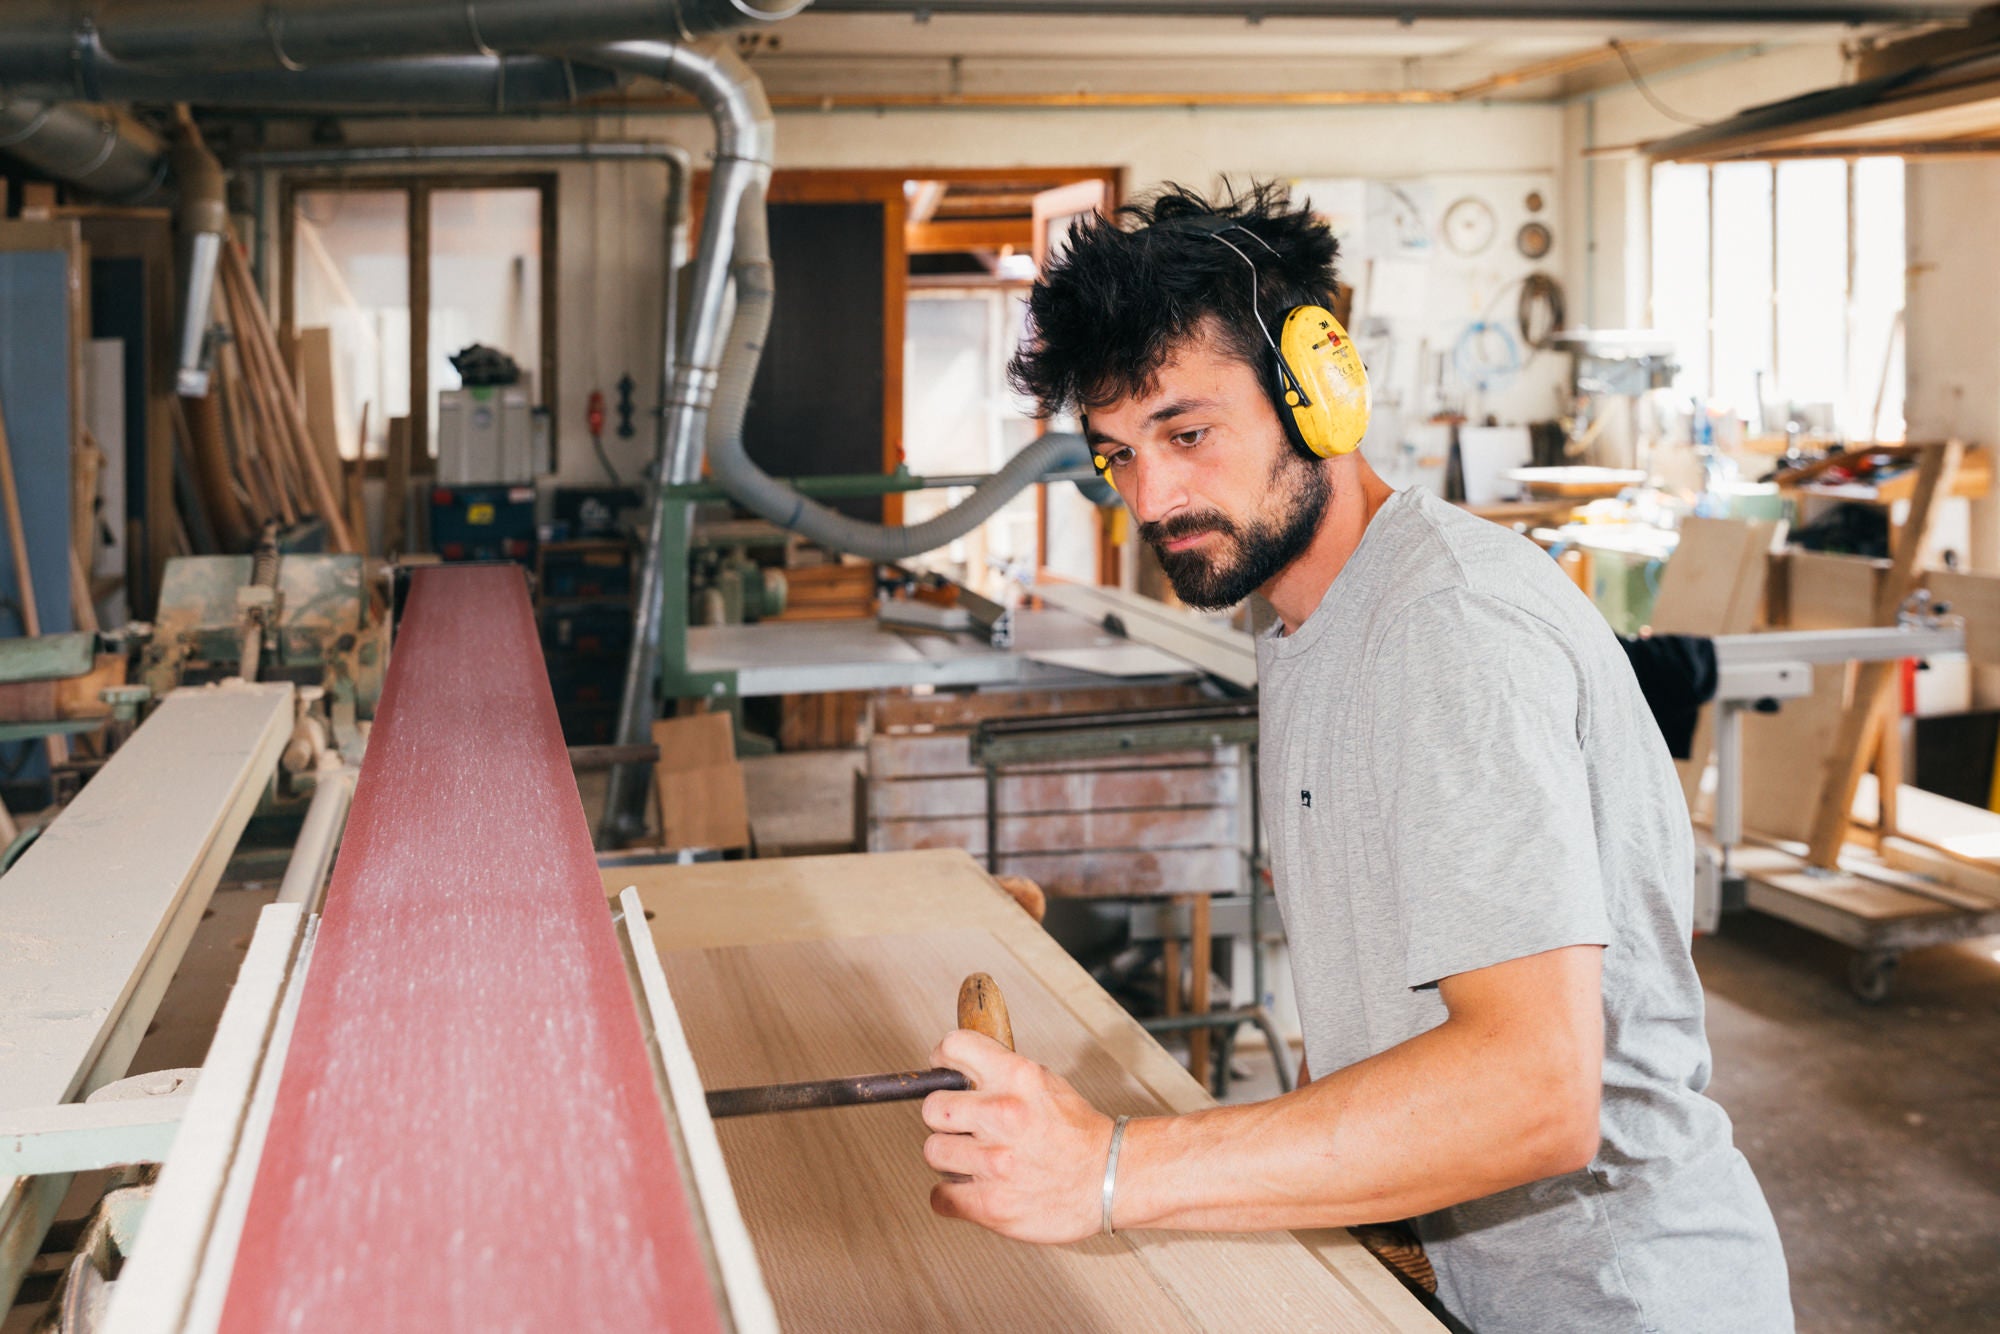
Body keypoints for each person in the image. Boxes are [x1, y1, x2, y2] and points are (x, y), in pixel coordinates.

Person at [918, 182, 1793, 1333]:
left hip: (1619, 1297)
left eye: (1186, 432)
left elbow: (1534, 1090)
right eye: (1117, 454)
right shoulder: (1303, 625)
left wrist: (1111, 1167)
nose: (1153, 494)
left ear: (1317, 389)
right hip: (1481, 1284)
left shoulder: (1446, 626)